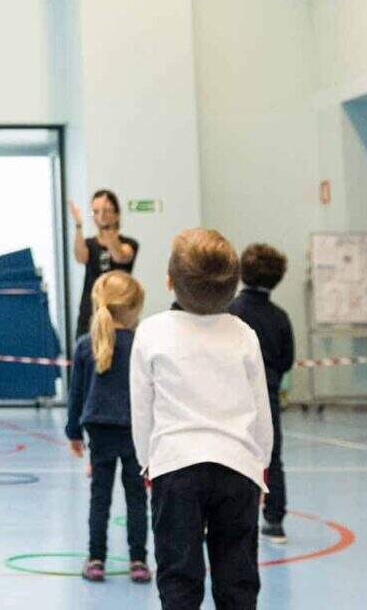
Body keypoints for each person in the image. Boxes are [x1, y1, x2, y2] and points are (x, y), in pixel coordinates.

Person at [131, 229, 272, 610]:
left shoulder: (151, 332)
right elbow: (262, 411)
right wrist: (262, 467)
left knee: (179, 576)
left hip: (176, 468)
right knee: (238, 577)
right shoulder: (243, 334)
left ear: (169, 281)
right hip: (237, 467)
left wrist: (149, 463)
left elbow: (141, 410)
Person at [65, 271, 151, 584]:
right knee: (137, 498)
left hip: (99, 428)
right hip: (134, 431)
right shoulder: (141, 344)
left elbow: (76, 393)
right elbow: (150, 392)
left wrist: (73, 432)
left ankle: (96, 558)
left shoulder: (86, 344)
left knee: (99, 497)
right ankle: (139, 561)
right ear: (133, 309)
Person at [229, 243, 294, 544]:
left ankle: (227, 516)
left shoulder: (230, 311)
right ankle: (275, 519)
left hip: (232, 395)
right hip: (266, 395)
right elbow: (286, 360)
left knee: (231, 454)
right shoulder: (279, 316)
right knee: (271, 455)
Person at [70, 190, 139, 337]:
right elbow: (80, 257)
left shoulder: (129, 244)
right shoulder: (89, 243)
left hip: (120, 313)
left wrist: (109, 229)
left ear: (116, 213)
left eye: (106, 211)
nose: (100, 216)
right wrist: (78, 225)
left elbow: (119, 256)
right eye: (95, 211)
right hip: (91, 311)